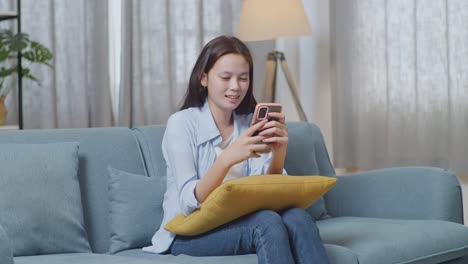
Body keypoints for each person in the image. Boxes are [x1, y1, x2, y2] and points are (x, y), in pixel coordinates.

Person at [143, 35, 329, 264]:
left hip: (240, 220)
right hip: (188, 231)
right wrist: (226, 160)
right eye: (225, 77)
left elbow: (268, 192)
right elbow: (188, 201)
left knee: (298, 217)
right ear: (204, 78)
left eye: (243, 78)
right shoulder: (181, 124)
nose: (235, 87)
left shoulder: (249, 123)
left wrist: (279, 152)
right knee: (267, 223)